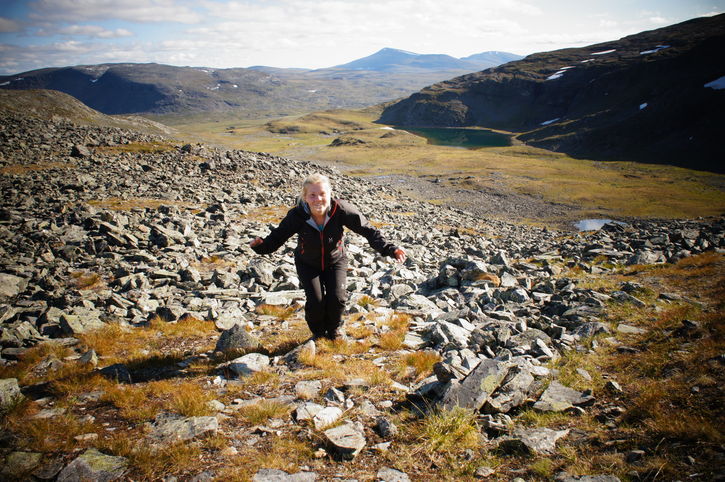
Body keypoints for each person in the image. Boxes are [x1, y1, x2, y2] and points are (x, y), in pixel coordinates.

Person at [250, 173, 406, 340]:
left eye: (322, 194)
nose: (318, 199)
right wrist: (261, 246)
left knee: (338, 298)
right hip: (307, 263)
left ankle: (334, 329)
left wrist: (391, 249)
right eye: (312, 195)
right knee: (316, 301)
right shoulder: (297, 215)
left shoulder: (341, 210)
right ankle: (318, 333)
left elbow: (368, 230)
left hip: (335, 260)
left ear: (330, 194)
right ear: (305, 197)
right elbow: (278, 236)